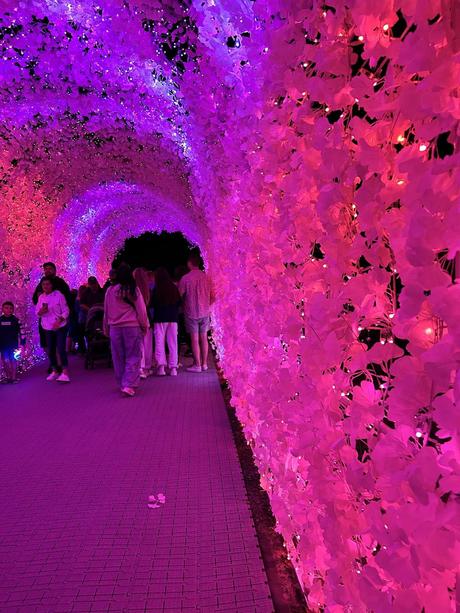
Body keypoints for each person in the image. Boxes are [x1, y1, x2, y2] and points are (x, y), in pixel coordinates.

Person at [103, 263, 149, 397]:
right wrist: (144, 325)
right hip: (132, 327)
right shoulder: (133, 289)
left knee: (118, 357)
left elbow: (106, 311)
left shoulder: (110, 291)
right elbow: (141, 309)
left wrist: (106, 327)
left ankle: (122, 383)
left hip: (115, 328)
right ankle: (129, 384)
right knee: (133, 355)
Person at [178, 252, 215, 373]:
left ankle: (197, 365)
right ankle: (204, 364)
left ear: (190, 263)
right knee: (204, 337)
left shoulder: (185, 278)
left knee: (194, 339)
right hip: (205, 312)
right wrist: (207, 305)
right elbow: (213, 296)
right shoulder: (207, 278)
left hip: (190, 312)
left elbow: (180, 295)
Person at [35, 277, 71, 382]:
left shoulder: (59, 295)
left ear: (52, 285)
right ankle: (55, 371)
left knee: (60, 348)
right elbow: (37, 313)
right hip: (47, 327)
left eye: (48, 284)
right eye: (43, 284)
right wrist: (42, 311)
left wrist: (59, 321)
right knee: (50, 350)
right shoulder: (41, 297)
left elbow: (66, 311)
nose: (45, 286)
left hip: (60, 326)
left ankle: (65, 372)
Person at [32, 262, 71, 350]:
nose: (47, 270)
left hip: (58, 317)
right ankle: (52, 361)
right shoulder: (42, 282)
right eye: (45, 269)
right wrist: (40, 304)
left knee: (59, 343)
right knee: (46, 342)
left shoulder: (60, 282)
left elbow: (68, 298)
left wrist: (63, 314)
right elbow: (35, 298)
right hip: (45, 317)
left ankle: (60, 361)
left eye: (50, 268)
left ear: (55, 270)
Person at [151, 267, 181, 376]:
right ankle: (173, 368)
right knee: (173, 343)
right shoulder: (173, 287)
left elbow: (152, 304)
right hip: (173, 318)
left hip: (160, 318)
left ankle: (161, 367)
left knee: (159, 342)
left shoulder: (156, 289)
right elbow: (179, 302)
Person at [133, 267, 153, 378]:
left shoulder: (134, 289)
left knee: (139, 344)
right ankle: (147, 367)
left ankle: (141, 367)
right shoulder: (148, 289)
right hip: (148, 318)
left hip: (136, 319)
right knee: (148, 344)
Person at [0, 301, 25, 384]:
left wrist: (22, 344)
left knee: (13, 360)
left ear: (13, 310)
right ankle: (8, 377)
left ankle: (13, 377)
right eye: (6, 308)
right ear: (2, 309)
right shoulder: (0, 320)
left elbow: (22, 332)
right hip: (3, 345)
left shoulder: (16, 320)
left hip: (13, 345)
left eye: (11, 308)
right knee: (5, 361)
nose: (8, 310)